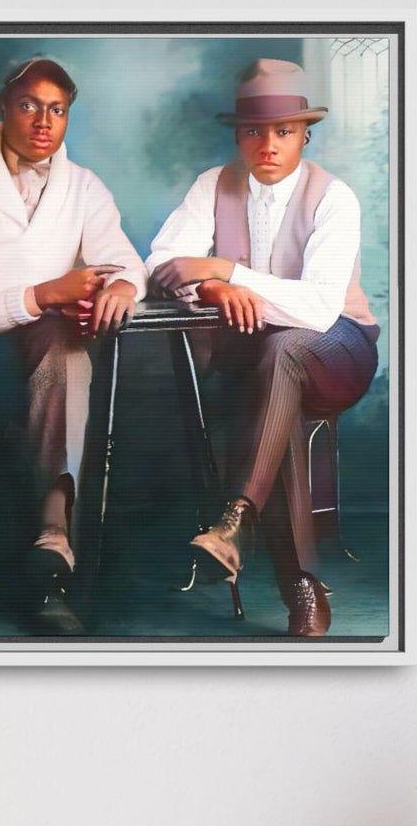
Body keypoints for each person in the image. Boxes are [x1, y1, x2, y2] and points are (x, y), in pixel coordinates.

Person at [145, 57, 378, 639]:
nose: (267, 144)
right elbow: (160, 264)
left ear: (305, 132)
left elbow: (319, 310)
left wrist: (228, 269)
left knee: (288, 354)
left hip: (340, 350)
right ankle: (301, 587)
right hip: (260, 358)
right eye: (253, 130)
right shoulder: (212, 186)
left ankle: (236, 518)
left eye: (283, 131)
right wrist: (214, 287)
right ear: (237, 133)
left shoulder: (335, 198)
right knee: (278, 387)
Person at [0, 56, 145, 629]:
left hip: (53, 344)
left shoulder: (83, 186)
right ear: (4, 109)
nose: (43, 121)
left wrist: (122, 282)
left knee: (69, 345)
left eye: (57, 109)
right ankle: (52, 534)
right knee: (62, 336)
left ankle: (53, 536)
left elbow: (122, 257)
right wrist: (49, 291)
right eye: (29, 105)